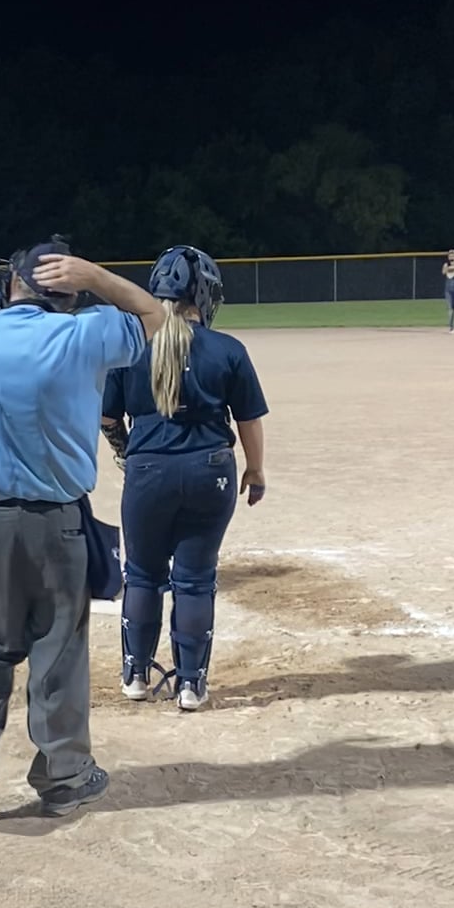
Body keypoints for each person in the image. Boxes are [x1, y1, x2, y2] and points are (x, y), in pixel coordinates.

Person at [0, 236, 164, 821]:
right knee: (57, 649)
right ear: (68, 294)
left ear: (9, 287)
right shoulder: (84, 334)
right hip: (57, 523)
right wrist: (96, 275)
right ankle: (63, 773)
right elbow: (155, 315)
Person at [102, 246, 268, 713]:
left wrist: (126, 453)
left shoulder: (130, 347)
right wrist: (255, 469)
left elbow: (108, 417)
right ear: (204, 295)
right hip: (210, 472)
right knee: (194, 579)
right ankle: (191, 684)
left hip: (147, 472)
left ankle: (136, 675)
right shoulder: (227, 349)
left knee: (143, 575)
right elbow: (249, 420)